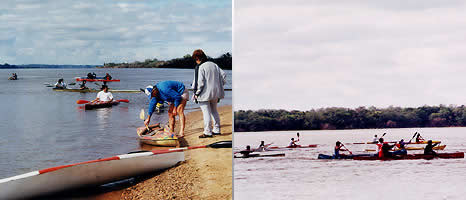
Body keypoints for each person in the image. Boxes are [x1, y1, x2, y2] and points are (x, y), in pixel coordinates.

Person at [191, 49, 227, 138]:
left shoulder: (201, 67)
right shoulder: (214, 65)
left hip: (204, 94)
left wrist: (196, 93)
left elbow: (201, 82)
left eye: (195, 60)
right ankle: (217, 130)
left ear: (197, 58)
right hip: (216, 92)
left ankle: (207, 132)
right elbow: (224, 75)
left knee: (206, 113)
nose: (196, 62)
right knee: (214, 111)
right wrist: (220, 85)